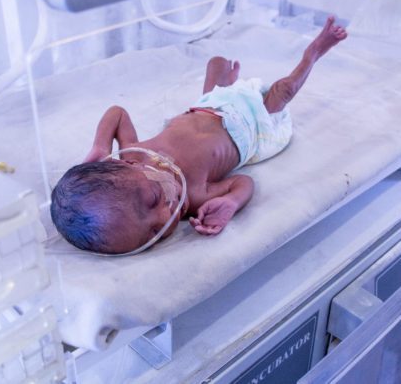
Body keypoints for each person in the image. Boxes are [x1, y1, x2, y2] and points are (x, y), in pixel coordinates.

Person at [51, 16, 347, 254]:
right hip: (251, 125)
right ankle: (315, 50)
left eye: (154, 199)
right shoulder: (192, 196)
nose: (166, 217)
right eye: (154, 234)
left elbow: (117, 112)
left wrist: (100, 146)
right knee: (283, 91)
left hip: (209, 108)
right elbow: (243, 182)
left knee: (215, 62)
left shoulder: (134, 152)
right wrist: (231, 204)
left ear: (124, 164)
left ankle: (229, 83)